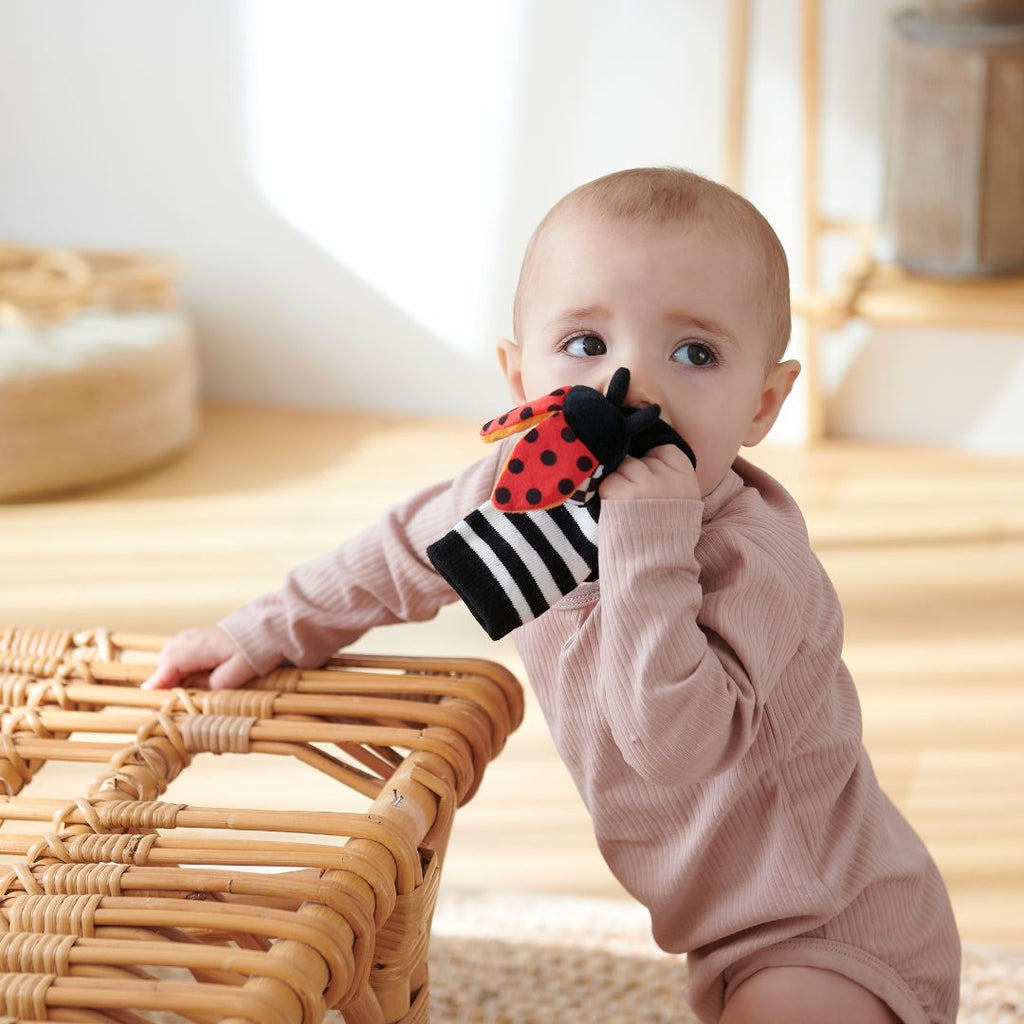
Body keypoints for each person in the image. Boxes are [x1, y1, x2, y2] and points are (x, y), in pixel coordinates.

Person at [143, 168, 960, 1024]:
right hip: (722, 928)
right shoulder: (525, 488)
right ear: (517, 374)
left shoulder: (753, 560)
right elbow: (400, 553)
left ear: (763, 402)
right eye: (584, 344)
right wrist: (269, 626)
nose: (631, 386)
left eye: (695, 354)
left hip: (830, 923)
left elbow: (669, 746)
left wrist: (648, 541)